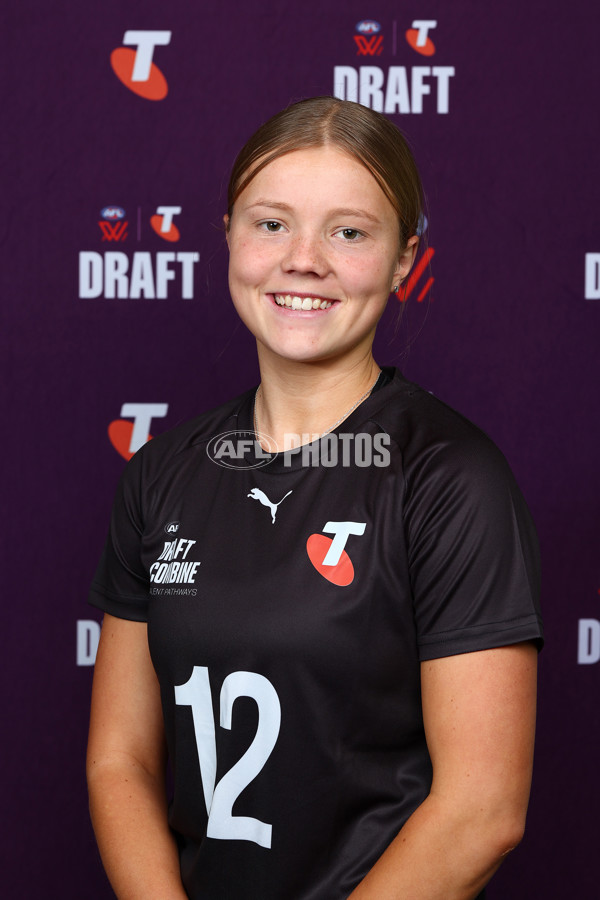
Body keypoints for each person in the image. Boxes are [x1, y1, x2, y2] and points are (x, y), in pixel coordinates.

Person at [87, 96, 543, 900]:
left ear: (404, 260)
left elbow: (484, 809)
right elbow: (119, 760)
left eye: (349, 232)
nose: (304, 260)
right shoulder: (159, 476)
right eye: (271, 224)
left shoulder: (449, 478)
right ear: (228, 233)